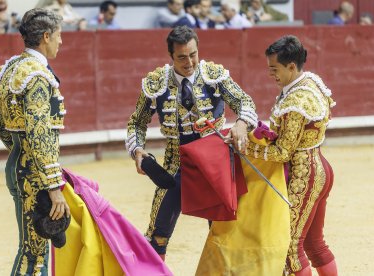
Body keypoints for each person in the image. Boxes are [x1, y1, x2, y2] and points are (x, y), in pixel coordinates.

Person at [125, 25, 258, 260]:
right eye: (182, 57)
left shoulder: (213, 75)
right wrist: (136, 149)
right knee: (158, 234)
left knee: (221, 230)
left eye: (193, 54)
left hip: (213, 160)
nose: (190, 62)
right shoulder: (157, 83)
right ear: (171, 56)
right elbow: (137, 123)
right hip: (176, 161)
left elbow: (244, 102)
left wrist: (241, 124)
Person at [243, 35, 338, 275]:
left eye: (274, 69)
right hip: (319, 167)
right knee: (314, 244)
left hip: (303, 176)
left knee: (290, 247)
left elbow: (283, 152)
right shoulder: (309, 82)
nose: (270, 74)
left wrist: (247, 148)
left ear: (292, 66)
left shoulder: (297, 99)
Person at [0, 8, 70, 275]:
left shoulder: (11, 68)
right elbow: (38, 133)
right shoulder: (37, 75)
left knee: (30, 248)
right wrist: (53, 185)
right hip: (35, 175)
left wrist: (19, 155)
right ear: (46, 36)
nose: (61, 41)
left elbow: (3, 128)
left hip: (18, 165)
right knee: (35, 254)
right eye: (59, 36)